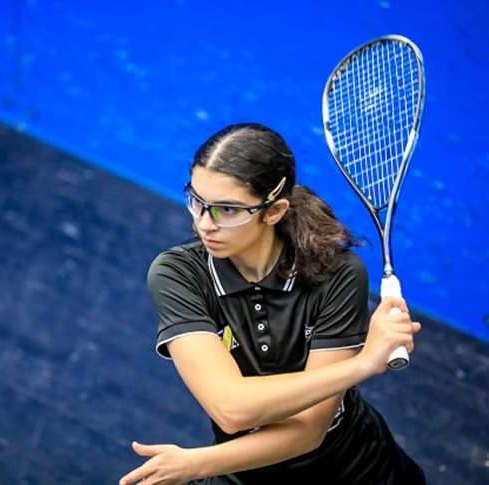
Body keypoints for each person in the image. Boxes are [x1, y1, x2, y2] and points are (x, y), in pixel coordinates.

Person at [119, 123, 426, 485]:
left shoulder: (338, 274)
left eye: (227, 209)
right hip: (245, 473)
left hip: (362, 472)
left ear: (274, 211)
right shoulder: (178, 273)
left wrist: (197, 464)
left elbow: (309, 431)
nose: (204, 223)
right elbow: (231, 409)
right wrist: (362, 365)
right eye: (196, 201)